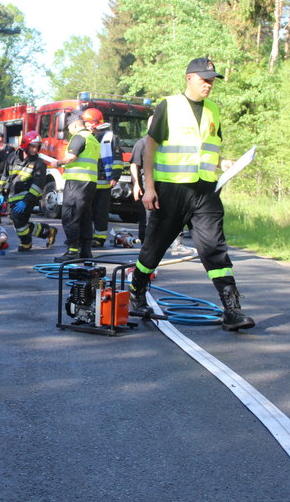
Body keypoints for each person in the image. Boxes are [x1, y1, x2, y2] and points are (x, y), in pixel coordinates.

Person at [130, 57, 254, 331]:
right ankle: (137, 292)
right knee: (154, 249)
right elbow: (150, 148)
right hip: (171, 190)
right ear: (189, 78)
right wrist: (149, 187)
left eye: (212, 80)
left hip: (205, 191)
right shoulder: (169, 106)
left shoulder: (214, 111)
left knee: (214, 248)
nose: (209, 84)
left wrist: (224, 163)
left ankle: (232, 310)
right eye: (204, 79)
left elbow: (211, 147)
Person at [53, 113, 101, 262]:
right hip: (90, 182)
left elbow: (71, 157)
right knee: (85, 216)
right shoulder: (93, 139)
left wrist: (58, 163)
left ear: (74, 125)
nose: (70, 131)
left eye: (69, 128)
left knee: (70, 215)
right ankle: (86, 251)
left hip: (76, 182)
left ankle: (72, 250)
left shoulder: (79, 137)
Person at [0, 131, 57, 252]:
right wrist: (1, 192)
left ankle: (26, 242)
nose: (35, 150)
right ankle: (48, 231)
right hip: (13, 196)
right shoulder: (12, 157)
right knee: (20, 223)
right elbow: (5, 176)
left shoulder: (39, 163)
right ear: (25, 145)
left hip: (28, 196)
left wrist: (26, 201)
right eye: (33, 146)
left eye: (37, 147)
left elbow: (38, 186)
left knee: (17, 218)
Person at [84, 109, 124, 248]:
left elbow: (118, 159)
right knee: (86, 211)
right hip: (89, 181)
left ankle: (99, 238)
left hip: (104, 182)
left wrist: (115, 176)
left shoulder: (110, 137)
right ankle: (86, 237)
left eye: (87, 123)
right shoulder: (87, 136)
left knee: (100, 212)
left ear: (93, 123)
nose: (85, 125)